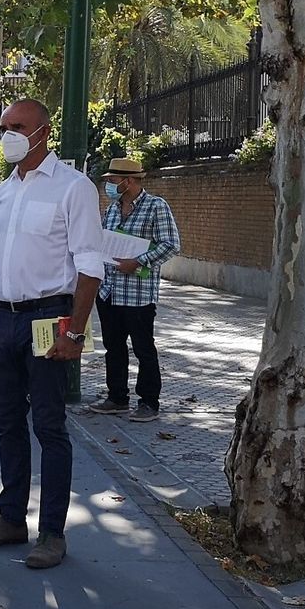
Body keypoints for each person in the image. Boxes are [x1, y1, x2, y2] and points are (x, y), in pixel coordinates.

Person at [0, 99, 105, 570]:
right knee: (7, 422)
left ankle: (52, 533)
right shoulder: (3, 191)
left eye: (17, 127)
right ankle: (10, 519)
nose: (7, 137)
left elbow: (89, 266)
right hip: (4, 317)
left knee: (49, 425)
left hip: (49, 319)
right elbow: (2, 259)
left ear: (44, 131)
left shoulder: (74, 188)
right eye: (2, 128)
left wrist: (76, 333)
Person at [88, 157, 181, 423]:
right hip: (109, 291)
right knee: (113, 346)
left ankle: (149, 401)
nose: (109, 185)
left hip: (138, 293)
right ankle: (117, 397)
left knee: (143, 348)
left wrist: (139, 261)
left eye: (113, 181)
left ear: (128, 181)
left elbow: (171, 244)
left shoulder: (155, 207)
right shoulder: (113, 209)